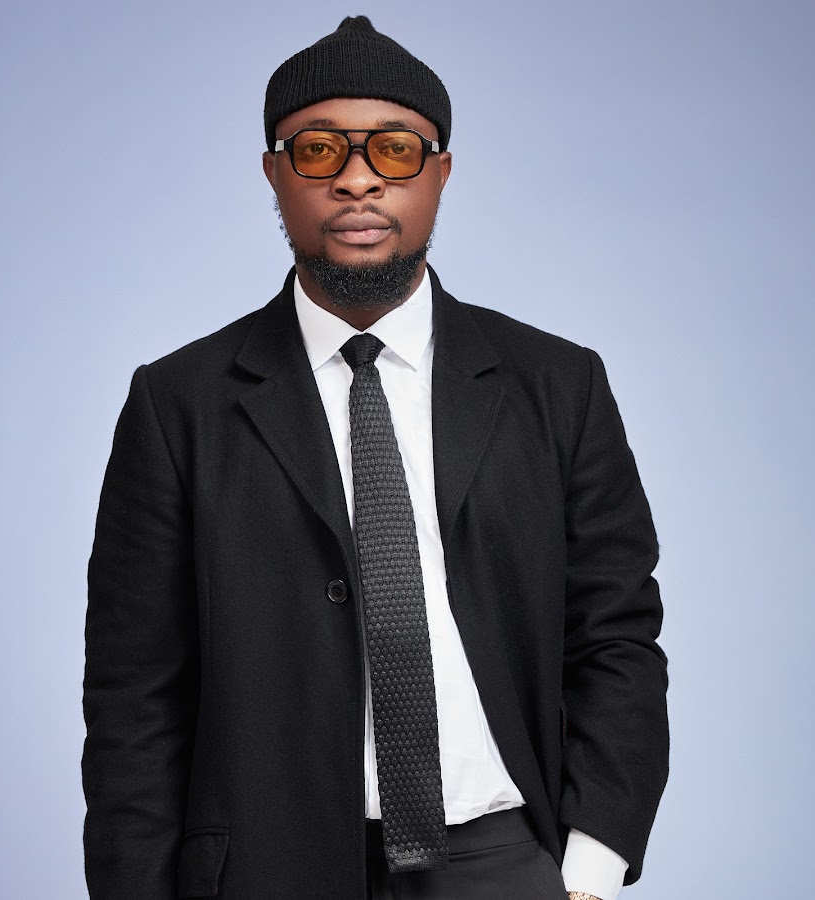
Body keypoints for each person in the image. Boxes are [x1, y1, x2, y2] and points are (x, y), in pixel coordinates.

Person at [82, 16, 668, 900]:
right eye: (318, 150)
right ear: (274, 174)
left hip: (502, 862)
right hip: (263, 870)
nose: (357, 179)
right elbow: (134, 696)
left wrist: (588, 867)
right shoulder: (178, 404)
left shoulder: (558, 383)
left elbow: (616, 635)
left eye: (394, 149)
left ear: (441, 171)